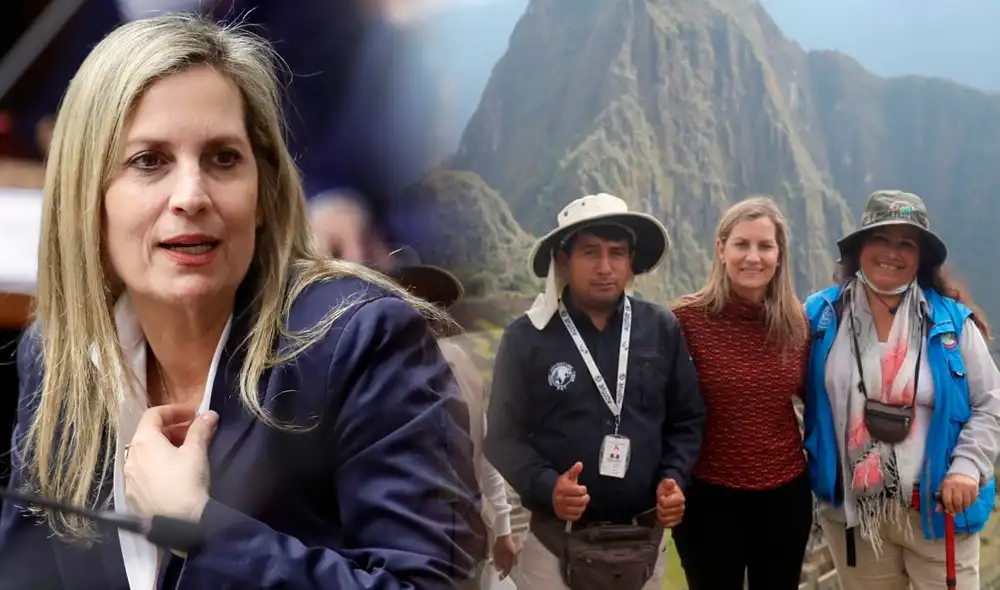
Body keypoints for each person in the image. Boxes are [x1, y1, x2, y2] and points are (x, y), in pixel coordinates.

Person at [0, 15, 485, 589]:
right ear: (88, 196)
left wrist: (200, 528)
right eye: (148, 161)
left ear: (262, 193)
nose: (191, 196)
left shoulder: (363, 341)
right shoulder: (61, 351)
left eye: (223, 158)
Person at [2, 0, 444, 266]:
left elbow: (326, 144)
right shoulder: (104, 11)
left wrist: (330, 198)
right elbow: (47, 109)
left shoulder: (313, 16)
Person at [484, 193, 706, 590]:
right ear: (563, 260)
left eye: (616, 253)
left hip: (643, 546)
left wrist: (674, 478)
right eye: (590, 252)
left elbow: (687, 419)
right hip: (555, 547)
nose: (605, 267)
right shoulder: (526, 338)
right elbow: (502, 438)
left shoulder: (660, 329)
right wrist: (547, 487)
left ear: (631, 260)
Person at [803, 190, 1000, 589]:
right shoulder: (821, 317)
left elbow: (989, 403)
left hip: (936, 510)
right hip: (854, 517)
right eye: (881, 239)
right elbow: (781, 390)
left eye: (906, 243)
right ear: (860, 247)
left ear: (920, 257)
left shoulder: (950, 324)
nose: (892, 252)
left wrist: (966, 468)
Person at [670, 197, 812, 589]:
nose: (753, 257)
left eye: (765, 246)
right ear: (721, 249)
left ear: (779, 255)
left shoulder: (795, 322)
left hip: (784, 494)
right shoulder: (686, 321)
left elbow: (816, 397)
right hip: (708, 497)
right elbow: (665, 409)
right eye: (741, 244)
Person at [386, 245, 520, 587]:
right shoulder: (366, 377)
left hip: (464, 546)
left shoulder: (460, 364)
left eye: (418, 297)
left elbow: (482, 452)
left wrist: (503, 527)